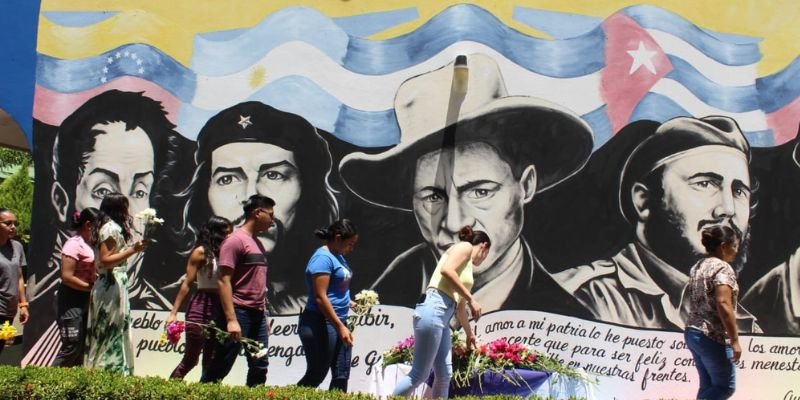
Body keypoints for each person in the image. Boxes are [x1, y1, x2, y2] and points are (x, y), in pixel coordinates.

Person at [339, 53, 593, 315]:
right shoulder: (383, 299)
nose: (454, 223)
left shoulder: (565, 318)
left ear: (525, 186)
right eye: (433, 197)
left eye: (480, 192)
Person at [551, 116, 761, 332]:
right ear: (643, 201)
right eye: (705, 183)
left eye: (738, 191)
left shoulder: (743, 324)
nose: (728, 209)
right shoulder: (584, 297)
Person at [179, 101, 338, 315]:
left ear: (306, 188)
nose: (250, 197)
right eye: (228, 179)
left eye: (274, 175)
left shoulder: (327, 295)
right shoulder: (165, 298)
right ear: (204, 193)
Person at [27, 89, 180, 311]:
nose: (127, 210)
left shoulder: (160, 307)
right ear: (61, 201)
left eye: (139, 191)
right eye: (104, 191)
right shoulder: (41, 300)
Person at [392, 226, 489, 398]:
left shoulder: (466, 266)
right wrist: (471, 299)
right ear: (483, 246)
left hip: (443, 316)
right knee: (419, 374)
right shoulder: (465, 247)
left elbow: (459, 307)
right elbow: (446, 271)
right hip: (435, 307)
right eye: (486, 253)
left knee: (444, 376)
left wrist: (469, 333)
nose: (484, 258)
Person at [200, 195, 274, 386]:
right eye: (270, 215)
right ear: (257, 213)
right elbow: (224, 281)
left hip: (257, 313)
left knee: (260, 364)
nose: (272, 220)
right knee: (222, 362)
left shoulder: (257, 242)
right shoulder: (235, 241)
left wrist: (263, 315)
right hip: (238, 311)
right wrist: (232, 320)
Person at [84, 193, 147, 375]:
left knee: (113, 327)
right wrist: (133, 249)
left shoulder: (108, 227)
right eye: (125, 207)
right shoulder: (111, 228)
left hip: (112, 282)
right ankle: (107, 372)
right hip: (110, 283)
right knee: (109, 329)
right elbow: (106, 260)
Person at [165, 216, 232, 379]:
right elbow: (187, 283)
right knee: (190, 359)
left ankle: (206, 392)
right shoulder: (201, 252)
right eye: (227, 232)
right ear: (217, 233)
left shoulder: (228, 252)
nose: (230, 236)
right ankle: (168, 391)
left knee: (211, 360)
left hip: (220, 307)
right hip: (201, 305)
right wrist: (173, 313)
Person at [297, 219, 359, 392]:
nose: (351, 248)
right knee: (317, 373)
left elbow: (336, 289)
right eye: (350, 243)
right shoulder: (322, 259)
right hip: (321, 322)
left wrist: (350, 302)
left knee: (341, 373)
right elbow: (320, 297)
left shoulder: (338, 256)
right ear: (338, 238)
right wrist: (339, 326)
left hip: (339, 321)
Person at [685, 225, 742, 400]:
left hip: (693, 332)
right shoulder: (723, 268)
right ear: (723, 246)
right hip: (711, 335)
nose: (736, 251)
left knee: (708, 385)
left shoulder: (698, 266)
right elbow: (723, 302)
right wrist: (734, 340)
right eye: (734, 246)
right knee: (725, 387)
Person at [51, 207, 99, 367]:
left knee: (80, 347)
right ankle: (44, 383)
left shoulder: (91, 244)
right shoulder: (73, 244)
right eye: (99, 224)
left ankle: (71, 386)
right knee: (71, 346)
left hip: (85, 301)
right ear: (88, 224)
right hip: (69, 301)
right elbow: (67, 277)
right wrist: (91, 287)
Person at [0, 208, 29, 356]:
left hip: (9, 309)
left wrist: (23, 304)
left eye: (14, 223)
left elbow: (19, 277)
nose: (13, 227)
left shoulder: (17, 247)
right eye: (7, 223)